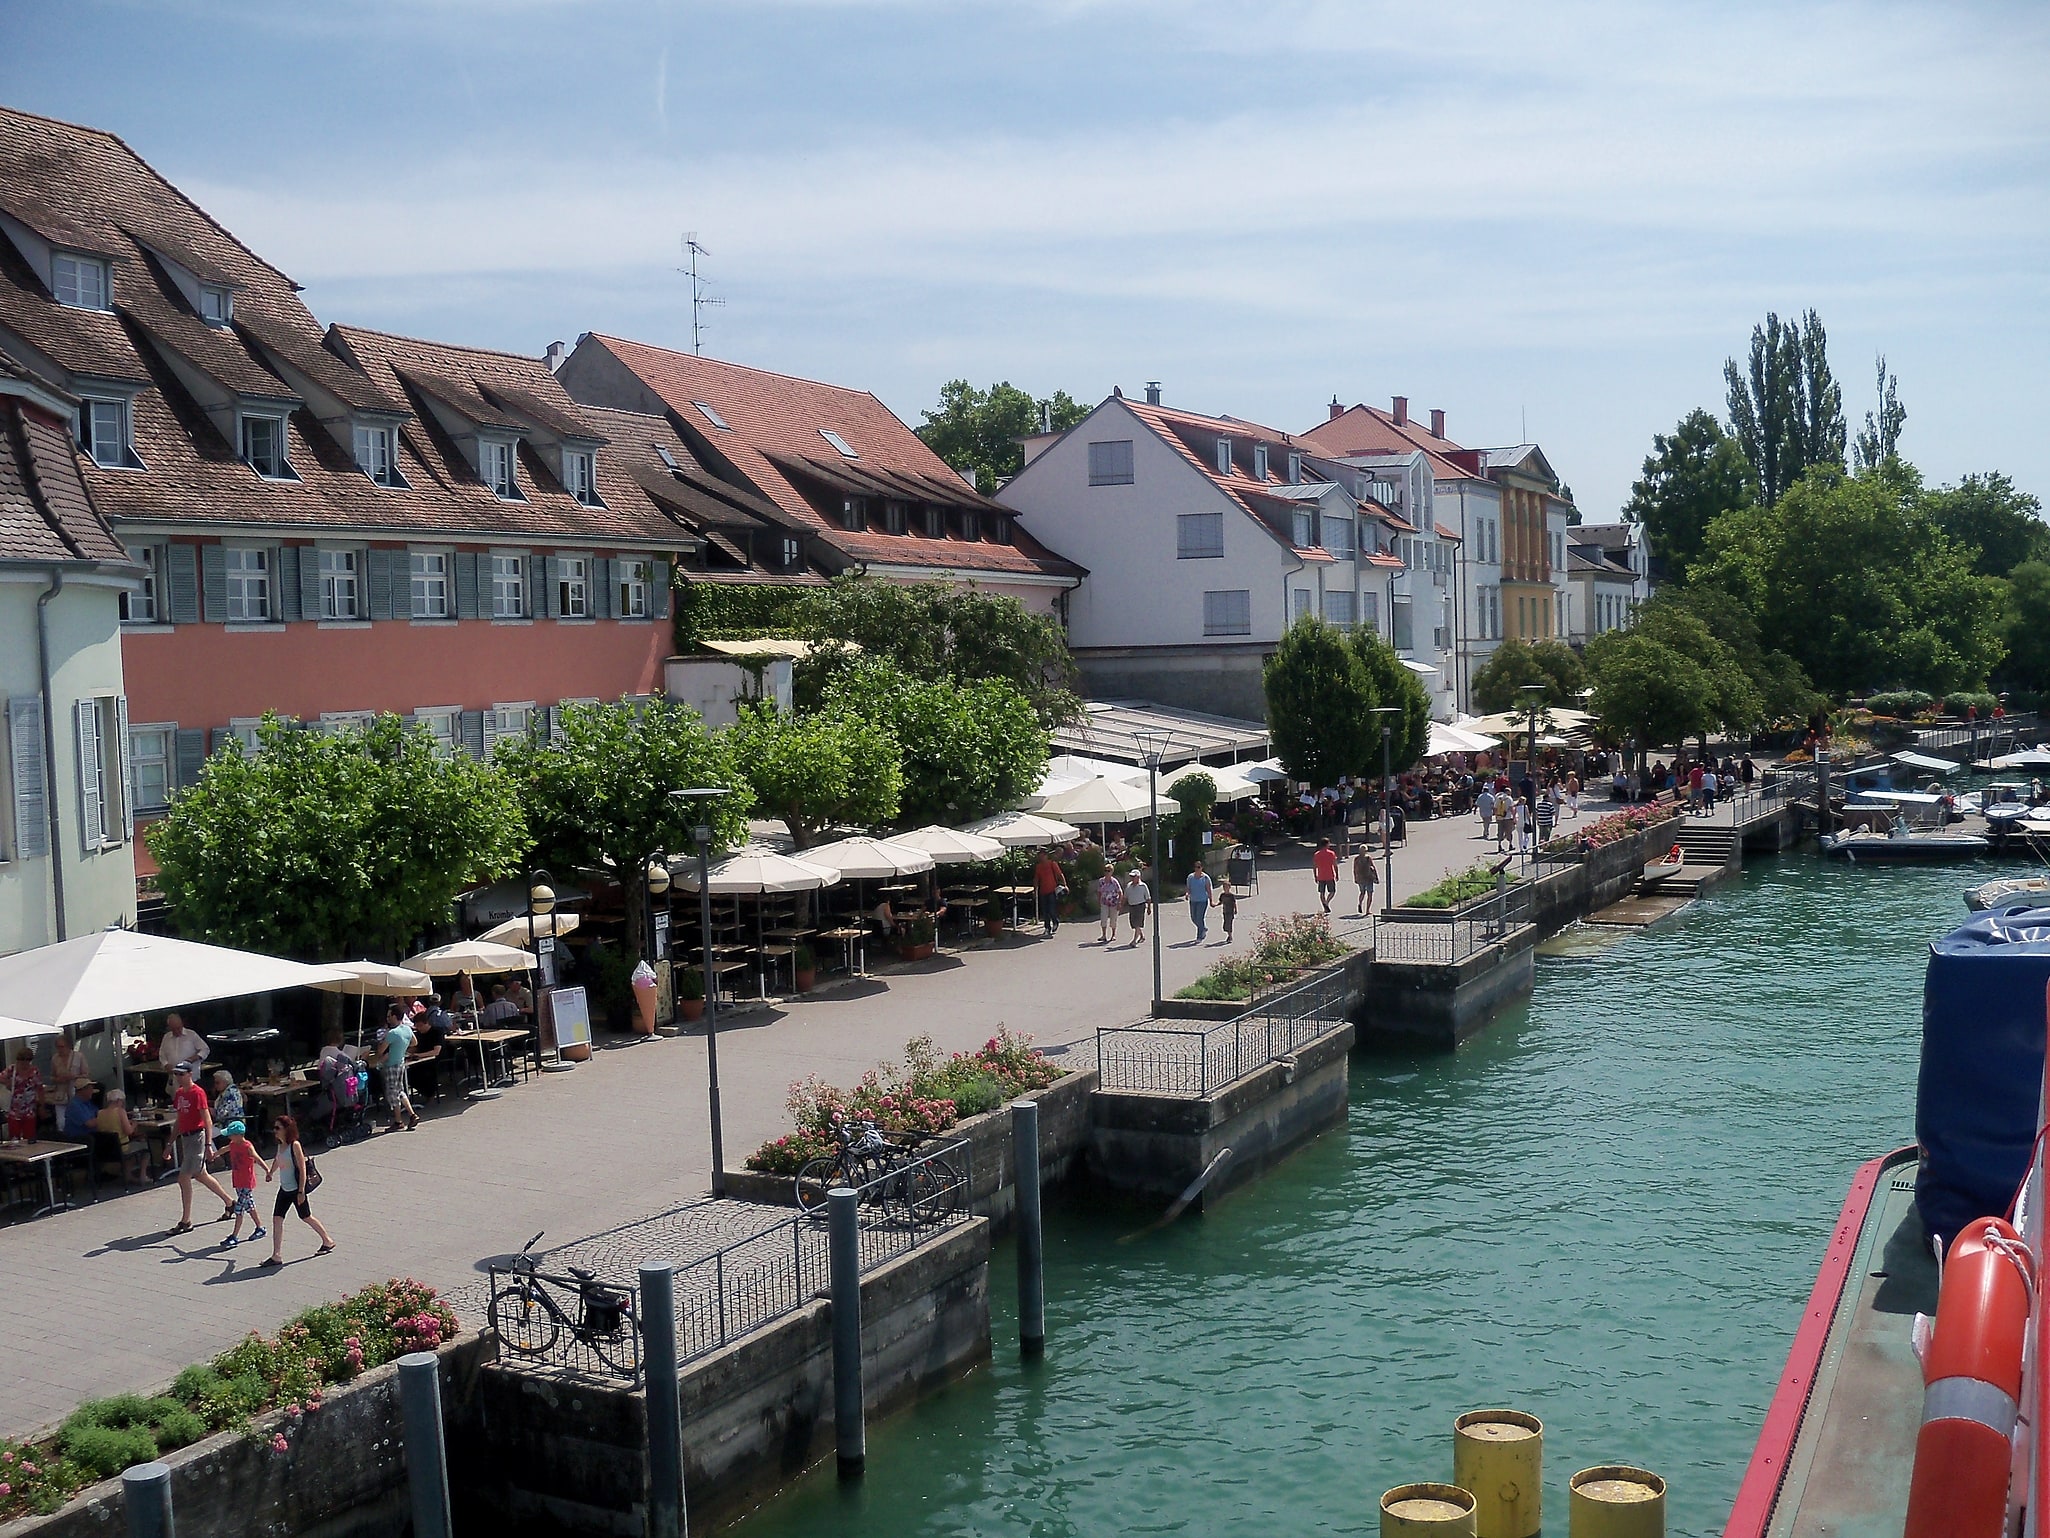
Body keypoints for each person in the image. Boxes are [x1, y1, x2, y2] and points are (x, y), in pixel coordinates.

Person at [165, 1060, 233, 1234]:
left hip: (197, 1137)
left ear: (190, 1074)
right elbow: (179, 1120)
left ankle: (186, 1220)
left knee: (183, 1177)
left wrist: (209, 1144)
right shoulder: (179, 1094)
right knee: (201, 1175)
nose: (178, 1077)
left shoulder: (198, 1092)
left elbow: (207, 1120)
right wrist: (170, 1143)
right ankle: (230, 1202)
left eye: (181, 1074)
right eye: (176, 1074)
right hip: (185, 1138)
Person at [263, 1114, 334, 1266]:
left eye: (277, 1128)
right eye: (274, 1128)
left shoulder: (294, 1145)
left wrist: (301, 1192)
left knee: (306, 1217)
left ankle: (327, 1241)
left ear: (286, 1129)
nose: (274, 1131)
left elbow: (302, 1169)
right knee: (277, 1219)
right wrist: (271, 1172)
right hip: (284, 1189)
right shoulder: (280, 1145)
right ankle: (276, 1255)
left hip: (296, 1190)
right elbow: (277, 1159)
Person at [216, 1120, 271, 1248]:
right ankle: (260, 1228)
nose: (229, 1137)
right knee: (249, 1206)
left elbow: (257, 1158)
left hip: (246, 1182)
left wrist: (267, 1170)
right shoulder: (233, 1144)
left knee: (238, 1209)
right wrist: (215, 1154)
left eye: (231, 1135)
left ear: (239, 1135)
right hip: (238, 1181)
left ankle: (234, 1236)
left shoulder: (247, 1146)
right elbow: (225, 1149)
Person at [380, 1005, 420, 1132]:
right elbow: (414, 1042)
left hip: (391, 1065)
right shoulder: (407, 1029)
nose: (387, 1019)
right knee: (400, 1090)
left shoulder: (392, 1033)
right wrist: (402, 1048)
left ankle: (398, 1121)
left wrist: (386, 1047)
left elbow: (381, 1051)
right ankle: (412, 1114)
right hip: (401, 1063)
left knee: (393, 1093)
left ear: (394, 1016)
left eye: (389, 1016)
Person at [3, 1046, 41, 1140]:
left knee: (29, 1137)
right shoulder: (12, 1069)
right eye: (21, 1059)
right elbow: (1, 1077)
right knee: (14, 1138)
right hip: (14, 1109)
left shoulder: (34, 1072)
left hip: (29, 1110)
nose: (24, 1062)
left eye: (27, 1059)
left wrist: (41, 1105)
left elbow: (39, 1088)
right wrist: (7, 1082)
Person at [46, 1032, 87, 1099]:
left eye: (62, 1047)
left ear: (68, 1046)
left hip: (76, 1092)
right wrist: (57, 1079)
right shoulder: (55, 1058)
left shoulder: (79, 1056)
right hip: (61, 1093)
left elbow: (86, 1075)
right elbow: (52, 1076)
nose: (60, 1050)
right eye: (58, 1047)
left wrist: (73, 1077)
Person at [1033, 851, 1064, 937]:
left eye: (1042, 856)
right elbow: (1036, 878)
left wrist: (1065, 885)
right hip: (1043, 891)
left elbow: (1060, 874)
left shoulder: (1052, 864)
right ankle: (1047, 927)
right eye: (1040, 856)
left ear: (1046, 856)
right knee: (1045, 911)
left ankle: (1055, 921)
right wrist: (1035, 889)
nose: (1041, 858)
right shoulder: (1038, 867)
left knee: (1051, 909)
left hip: (1052, 890)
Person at [1186, 862, 1213, 943]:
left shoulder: (1205, 878)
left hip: (1202, 901)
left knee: (1199, 918)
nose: (1197, 869)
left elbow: (1208, 889)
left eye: (1198, 867)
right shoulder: (1190, 877)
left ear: (1201, 868)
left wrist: (1211, 900)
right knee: (1193, 918)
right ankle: (1203, 928)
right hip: (1193, 900)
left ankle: (1199, 936)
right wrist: (1187, 894)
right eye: (1195, 867)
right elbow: (1188, 888)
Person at [1123, 869, 1151, 948]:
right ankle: (1141, 936)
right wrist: (1121, 905)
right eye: (1131, 877)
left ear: (1138, 877)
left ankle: (1134, 941)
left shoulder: (1143, 886)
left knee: (1138, 923)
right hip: (1132, 906)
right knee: (1134, 924)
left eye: (1133, 877)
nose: (1132, 878)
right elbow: (1125, 897)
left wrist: (1149, 908)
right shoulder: (1129, 886)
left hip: (1140, 906)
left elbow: (1148, 898)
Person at [1311, 838, 1339, 914]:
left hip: (1321, 876)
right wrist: (1337, 874)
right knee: (1332, 891)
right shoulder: (1331, 853)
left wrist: (1315, 876)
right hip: (1330, 875)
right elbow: (1335, 865)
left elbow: (1314, 866)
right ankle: (1326, 902)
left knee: (1321, 893)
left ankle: (1325, 905)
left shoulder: (1317, 854)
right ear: (1327, 844)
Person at [1096, 870, 1123, 943]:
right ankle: (1104, 935)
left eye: (1109, 871)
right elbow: (1099, 892)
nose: (1107, 872)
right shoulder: (1101, 881)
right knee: (1103, 919)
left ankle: (1113, 935)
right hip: (1104, 902)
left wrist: (1119, 902)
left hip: (1113, 903)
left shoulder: (1114, 881)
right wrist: (1099, 901)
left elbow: (1120, 892)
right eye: (1105, 871)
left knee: (1113, 920)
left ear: (1111, 872)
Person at [1353, 843, 1377, 914]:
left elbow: (1354, 869)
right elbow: (1373, 867)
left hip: (1360, 878)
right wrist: (1376, 877)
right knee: (1370, 894)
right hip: (1368, 877)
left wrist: (1355, 877)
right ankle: (1367, 910)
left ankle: (1360, 903)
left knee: (1362, 892)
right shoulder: (1368, 858)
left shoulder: (1356, 859)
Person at [1217, 875, 1239, 943]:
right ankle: (1229, 935)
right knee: (1225, 925)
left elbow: (1234, 903)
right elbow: (1221, 902)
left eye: (1227, 887)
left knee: (1229, 924)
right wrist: (1215, 904)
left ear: (1229, 887)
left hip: (1230, 911)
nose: (1225, 888)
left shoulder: (1231, 895)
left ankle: (1230, 936)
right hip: (1225, 911)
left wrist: (1235, 909)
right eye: (1224, 887)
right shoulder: (1222, 895)